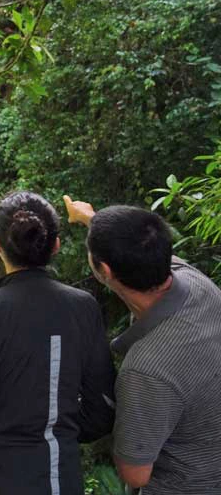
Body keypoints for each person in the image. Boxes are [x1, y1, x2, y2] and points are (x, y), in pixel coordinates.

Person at [0, 191, 116, 495]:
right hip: (61, 480)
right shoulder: (83, 307)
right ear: (56, 246)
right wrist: (59, 433)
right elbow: (103, 409)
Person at [64, 196, 221, 494]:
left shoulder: (147, 371)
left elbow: (135, 474)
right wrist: (89, 218)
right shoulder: (197, 283)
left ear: (105, 272)